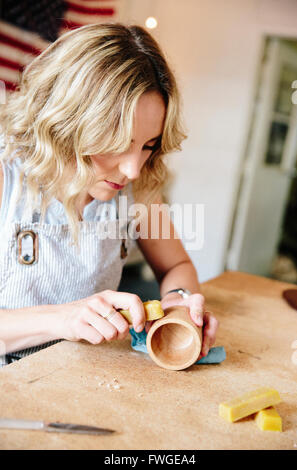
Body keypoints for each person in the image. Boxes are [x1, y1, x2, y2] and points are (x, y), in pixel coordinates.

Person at [0, 23, 218, 367]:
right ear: (67, 123)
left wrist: (179, 304)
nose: (133, 170)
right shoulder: (6, 175)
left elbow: (176, 265)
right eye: (118, 144)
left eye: (148, 145)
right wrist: (62, 319)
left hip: (82, 374)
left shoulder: (138, 184)